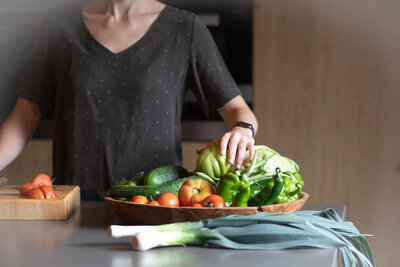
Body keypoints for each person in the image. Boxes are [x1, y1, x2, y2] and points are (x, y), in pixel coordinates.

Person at [0, 0, 258, 200]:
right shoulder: (58, 25)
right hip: (74, 202)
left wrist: (242, 130)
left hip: (157, 207)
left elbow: (238, 109)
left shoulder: (184, 28)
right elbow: (26, 113)